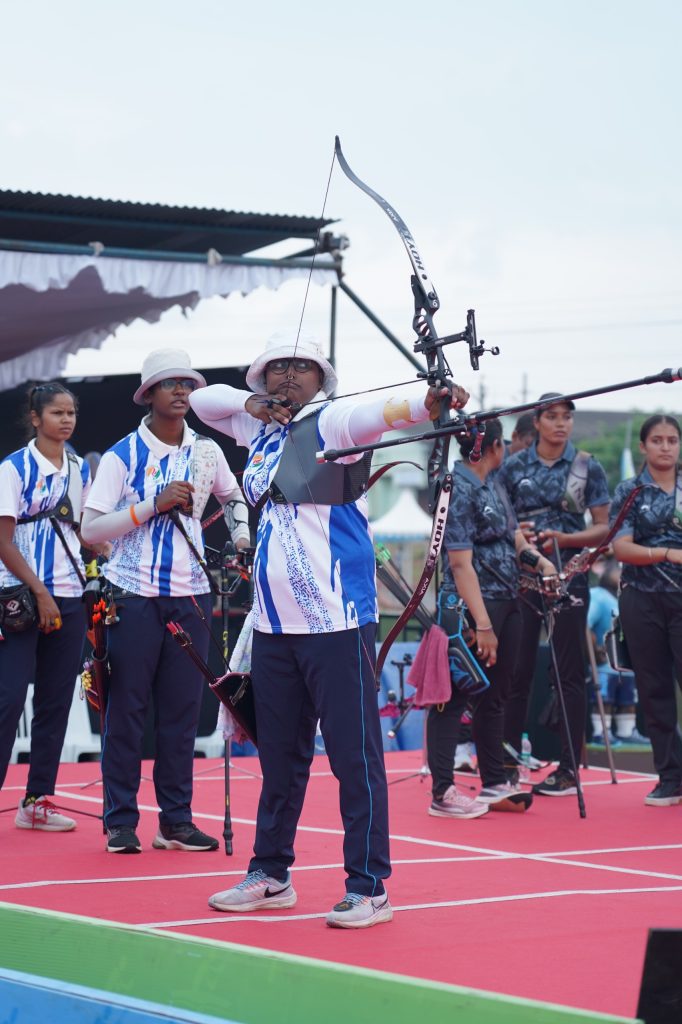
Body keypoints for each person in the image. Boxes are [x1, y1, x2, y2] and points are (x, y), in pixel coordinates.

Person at [189, 329, 470, 928]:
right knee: (281, 758)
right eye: (278, 368)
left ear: (323, 379)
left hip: (336, 622)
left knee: (353, 758)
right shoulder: (257, 428)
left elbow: (384, 413)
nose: (289, 376)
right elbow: (200, 400)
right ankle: (271, 875)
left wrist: (432, 400)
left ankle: (369, 886)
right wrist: (250, 405)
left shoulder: (333, 423)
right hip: (273, 626)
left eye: (303, 367)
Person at [81, 349, 250, 853]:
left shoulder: (207, 451)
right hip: (132, 595)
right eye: (169, 383)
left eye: (187, 383)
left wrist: (241, 540)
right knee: (127, 709)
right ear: (148, 394)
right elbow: (91, 528)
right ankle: (120, 822)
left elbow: (234, 498)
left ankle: (175, 821)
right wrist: (150, 505)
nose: (181, 391)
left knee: (182, 712)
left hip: (192, 596)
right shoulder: (122, 455)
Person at [427, 418, 555, 818]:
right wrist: (482, 624)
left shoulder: (494, 482)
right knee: (457, 693)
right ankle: (443, 791)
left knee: (497, 691)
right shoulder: (457, 487)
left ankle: (495, 780)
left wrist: (541, 563)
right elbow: (461, 564)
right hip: (471, 607)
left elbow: (513, 535)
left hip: (508, 597)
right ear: (496, 447)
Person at [497, 393, 610, 796]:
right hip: (522, 577)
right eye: (552, 416)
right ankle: (506, 765)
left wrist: (567, 537)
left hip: (569, 575)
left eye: (567, 417)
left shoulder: (586, 467)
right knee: (516, 668)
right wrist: (520, 539)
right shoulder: (512, 467)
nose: (560, 424)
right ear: (538, 421)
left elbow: (602, 527)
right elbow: (498, 520)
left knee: (568, 673)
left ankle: (568, 769)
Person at [0, 383, 90, 831]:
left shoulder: (78, 467)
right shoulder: (12, 469)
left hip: (71, 594)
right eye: (57, 412)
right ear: (35, 418)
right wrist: (38, 591)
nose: (67, 419)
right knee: (8, 698)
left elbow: (83, 531)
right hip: (20, 596)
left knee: (55, 700)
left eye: (71, 412)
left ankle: (36, 801)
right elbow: (3, 541)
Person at [611, 414, 682, 806]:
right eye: (657, 440)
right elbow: (621, 547)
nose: (666, 447)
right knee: (654, 691)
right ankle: (670, 777)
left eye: (672, 440)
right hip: (642, 599)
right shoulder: (630, 490)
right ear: (643, 446)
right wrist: (667, 552)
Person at [587, 559, 645, 746]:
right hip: (606, 664)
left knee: (628, 698)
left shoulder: (629, 598)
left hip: (628, 663)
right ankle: (601, 732)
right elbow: (584, 625)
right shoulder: (598, 596)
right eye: (617, 570)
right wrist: (595, 651)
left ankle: (627, 731)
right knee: (606, 698)